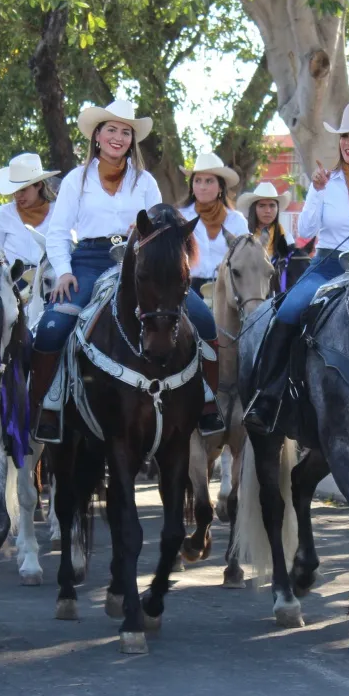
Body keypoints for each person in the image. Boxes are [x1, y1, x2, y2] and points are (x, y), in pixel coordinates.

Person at [29, 98, 224, 442]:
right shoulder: (77, 179)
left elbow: (161, 229)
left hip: (141, 264)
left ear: (132, 141)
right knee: (53, 326)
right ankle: (48, 405)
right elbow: (58, 232)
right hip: (89, 259)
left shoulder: (145, 180)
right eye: (111, 130)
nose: (118, 137)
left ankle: (207, 401)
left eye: (125, 132)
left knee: (204, 320)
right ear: (98, 136)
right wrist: (63, 271)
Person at [245, 103, 349, 434]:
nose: (348, 143)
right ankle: (267, 395)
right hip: (328, 265)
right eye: (345, 136)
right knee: (289, 310)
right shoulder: (326, 182)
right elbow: (305, 231)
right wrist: (315, 192)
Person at [180, 152, 248, 293]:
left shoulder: (236, 220)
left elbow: (245, 259)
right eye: (197, 181)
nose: (202, 186)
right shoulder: (181, 217)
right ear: (191, 186)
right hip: (188, 289)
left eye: (209, 181)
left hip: (227, 288)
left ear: (221, 187)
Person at [0, 152, 59, 269]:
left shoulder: (57, 211)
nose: (18, 195)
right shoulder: (4, 213)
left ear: (38, 186)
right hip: (14, 278)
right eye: (15, 191)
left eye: (23, 190)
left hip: (49, 275)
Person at [236, 181, 292, 260]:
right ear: (254, 208)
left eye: (272, 205)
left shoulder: (287, 238)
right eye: (262, 206)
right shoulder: (243, 234)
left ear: (277, 209)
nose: (268, 210)